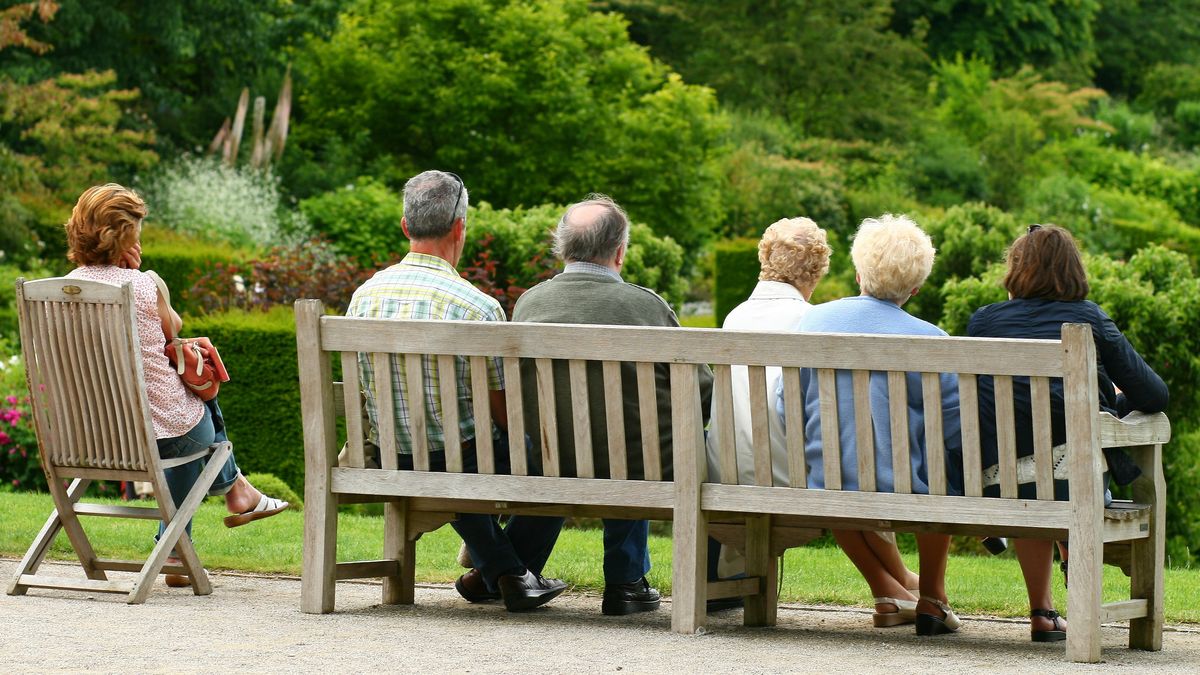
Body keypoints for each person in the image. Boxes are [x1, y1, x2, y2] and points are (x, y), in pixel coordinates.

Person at [345, 170, 567, 612]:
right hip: (463, 457)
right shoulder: (477, 307)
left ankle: (502, 573)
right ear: (460, 228)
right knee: (556, 463)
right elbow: (502, 412)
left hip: (392, 453)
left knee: (467, 453)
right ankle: (507, 575)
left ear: (405, 226)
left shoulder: (363, 298)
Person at [63, 183, 288, 588]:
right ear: (127, 237)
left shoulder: (59, 291)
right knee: (193, 418)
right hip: (159, 437)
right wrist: (137, 274)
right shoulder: (143, 285)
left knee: (185, 417)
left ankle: (185, 545)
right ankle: (224, 500)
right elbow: (175, 327)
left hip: (86, 439)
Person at [511, 195, 715, 616]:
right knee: (635, 438)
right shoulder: (646, 306)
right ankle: (625, 582)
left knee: (595, 441)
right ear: (619, 252)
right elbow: (702, 391)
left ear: (562, 248)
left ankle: (509, 569)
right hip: (638, 464)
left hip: (546, 458)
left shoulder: (529, 303)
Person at [966, 224, 1168, 642]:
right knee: (1069, 474)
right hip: (1074, 483)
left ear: (1017, 270)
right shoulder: (1088, 318)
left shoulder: (984, 320)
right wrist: (1112, 401)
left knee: (1035, 483)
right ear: (1072, 269)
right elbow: (1154, 394)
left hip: (1001, 483)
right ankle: (1079, 600)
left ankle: (1042, 613)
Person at [777, 213, 961, 635]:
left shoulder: (812, 322)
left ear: (859, 273)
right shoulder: (930, 338)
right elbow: (953, 427)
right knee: (942, 473)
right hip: (909, 485)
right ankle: (933, 596)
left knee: (839, 470)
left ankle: (886, 594)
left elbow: (787, 404)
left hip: (827, 479)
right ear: (915, 289)